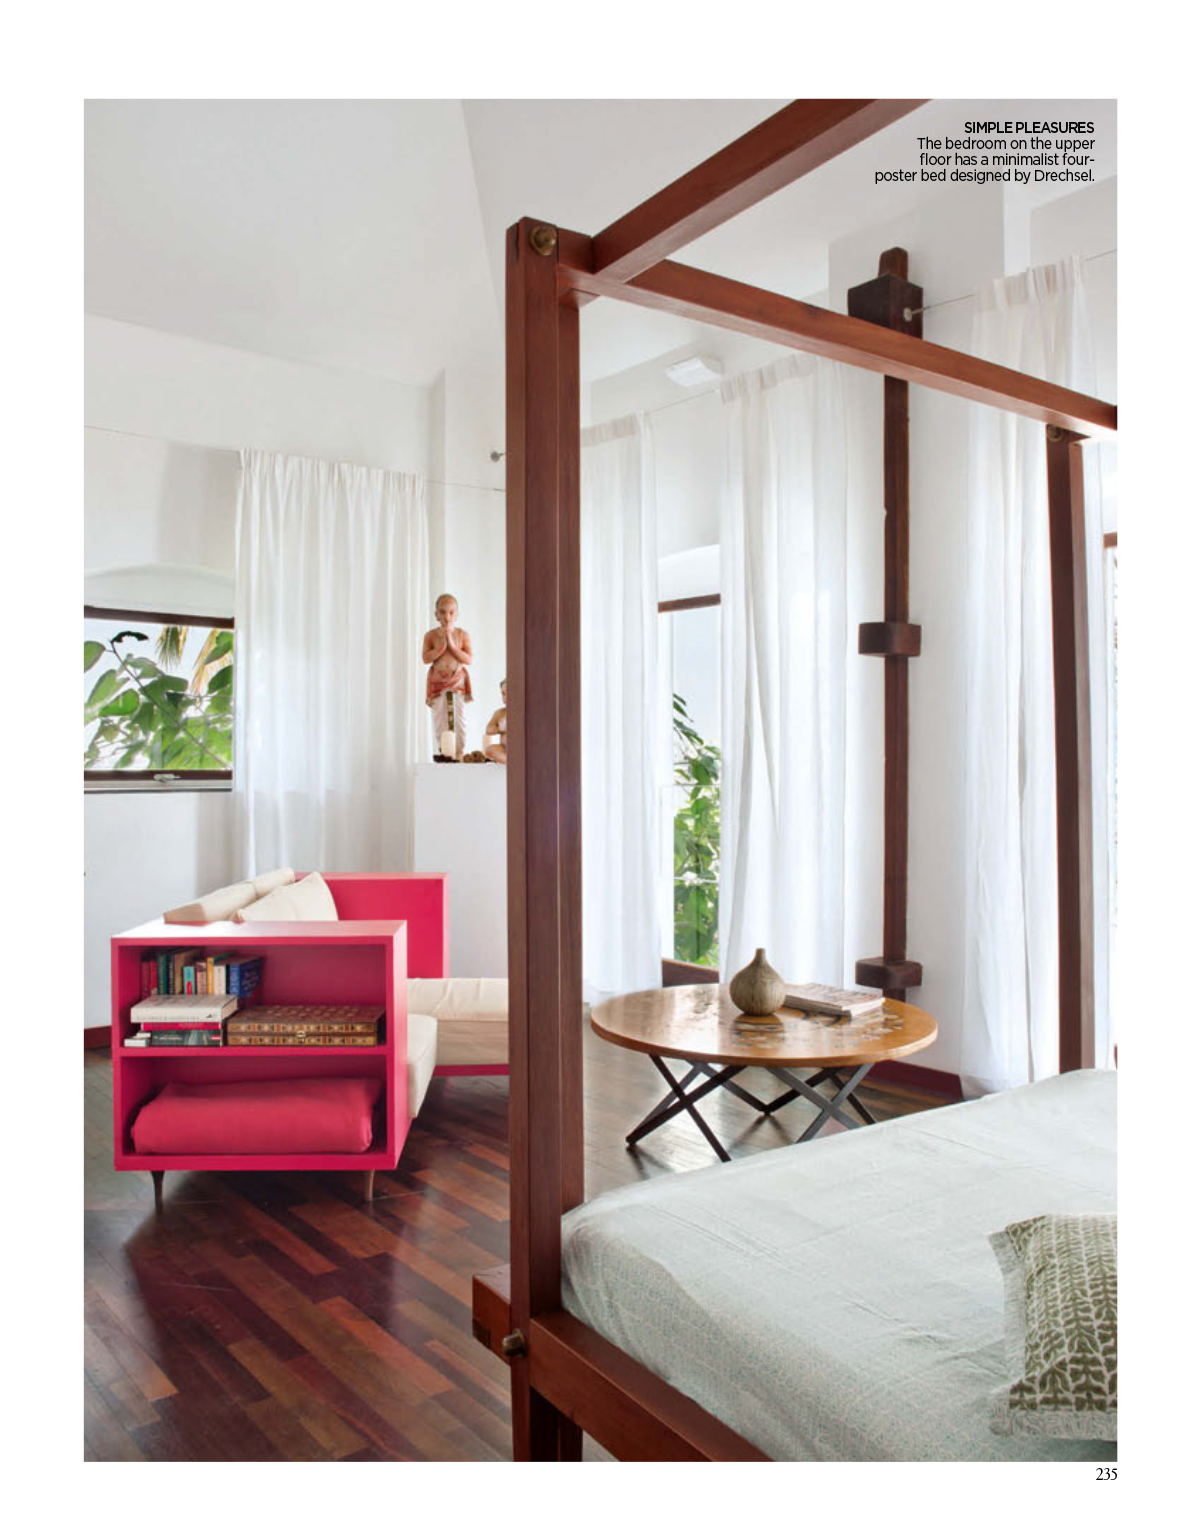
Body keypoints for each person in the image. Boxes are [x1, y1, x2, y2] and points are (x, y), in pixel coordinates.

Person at [422, 594, 473, 760]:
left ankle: (459, 753)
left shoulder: (462, 635)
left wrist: (451, 644)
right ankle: (445, 753)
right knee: (440, 720)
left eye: (451, 612)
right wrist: (441, 647)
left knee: (459, 719)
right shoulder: (430, 636)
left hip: (457, 681)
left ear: (457, 614)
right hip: (438, 683)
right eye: (442, 612)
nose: (447, 617)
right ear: (436, 614)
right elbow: (425, 658)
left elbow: (468, 659)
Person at [484, 678, 508, 764]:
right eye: (503, 694)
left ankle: (513, 761)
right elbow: (488, 729)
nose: (506, 697)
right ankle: (509, 761)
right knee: (490, 749)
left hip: (521, 748)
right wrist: (498, 729)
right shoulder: (500, 713)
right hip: (505, 748)